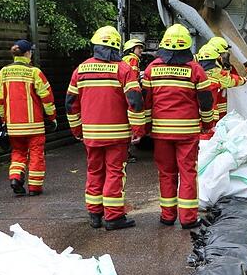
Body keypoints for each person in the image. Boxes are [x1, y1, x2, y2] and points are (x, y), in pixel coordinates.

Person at [66, 26, 145, 230]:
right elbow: (135, 101)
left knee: (94, 171)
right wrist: (138, 130)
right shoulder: (123, 69)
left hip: (91, 134)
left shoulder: (80, 69)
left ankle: (94, 214)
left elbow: (70, 103)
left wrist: (77, 130)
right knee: (114, 172)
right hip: (117, 134)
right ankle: (113, 217)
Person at [143, 24, 214, 229]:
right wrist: (207, 123)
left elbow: (146, 101)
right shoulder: (195, 70)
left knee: (166, 173)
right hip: (187, 132)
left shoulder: (152, 69)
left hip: (161, 132)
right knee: (188, 173)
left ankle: (167, 216)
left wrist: (147, 127)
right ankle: (188, 218)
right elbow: (206, 101)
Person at [0, 39, 56, 196]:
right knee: (36, 154)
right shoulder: (34, 72)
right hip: (34, 125)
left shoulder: (3, 72)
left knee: (18, 152)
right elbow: (47, 97)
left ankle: (15, 178)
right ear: (28, 53)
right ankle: (34, 188)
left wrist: (4, 120)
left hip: (13, 124)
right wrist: (51, 117)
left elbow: (0, 100)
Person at [122, 38, 145, 164]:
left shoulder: (125, 60)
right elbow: (132, 79)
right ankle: (126, 153)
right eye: (138, 47)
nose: (141, 50)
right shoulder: (133, 59)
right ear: (131, 49)